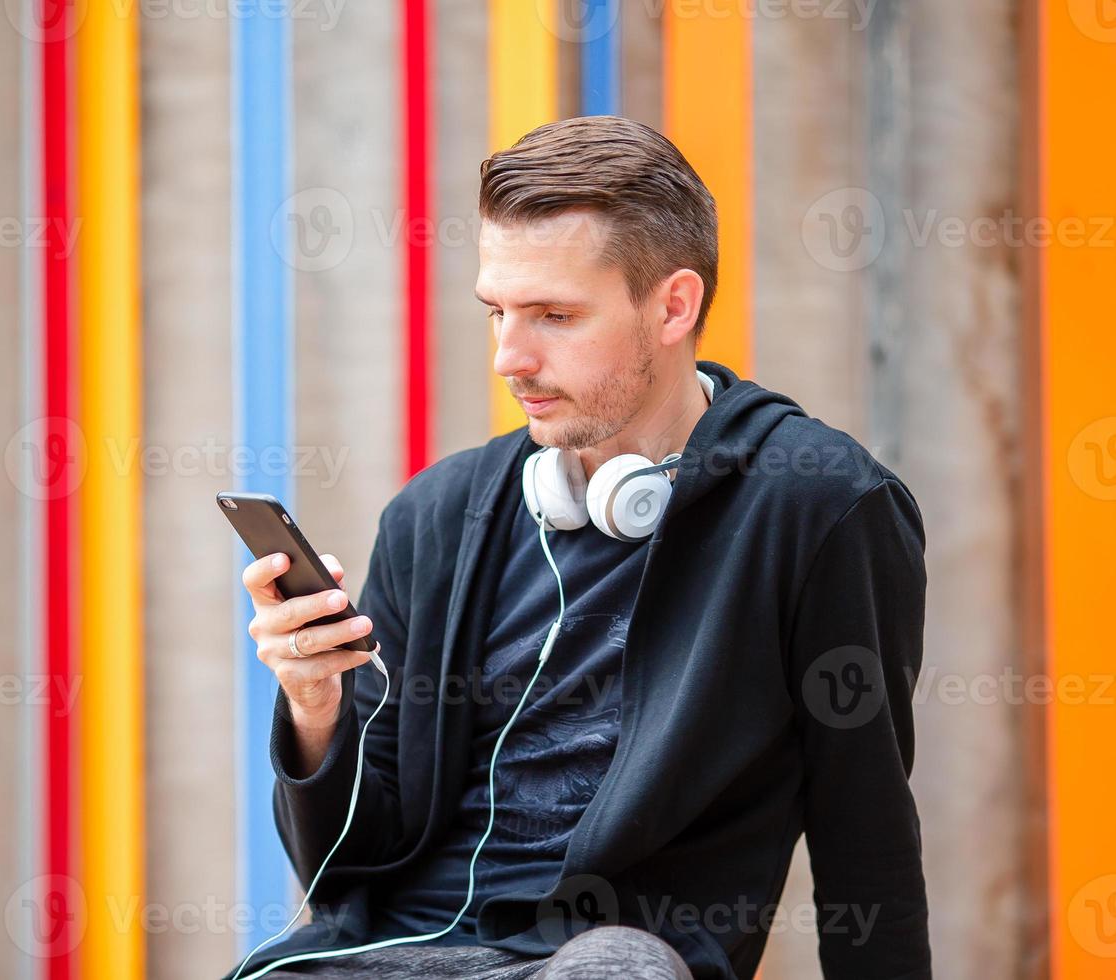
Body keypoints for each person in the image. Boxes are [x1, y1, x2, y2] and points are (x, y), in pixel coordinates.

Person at [225, 115, 931, 979]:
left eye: (553, 316)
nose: (508, 358)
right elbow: (342, 874)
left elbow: (867, 835)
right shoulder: (437, 516)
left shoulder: (817, 506)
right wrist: (313, 705)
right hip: (393, 957)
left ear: (674, 305)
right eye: (497, 312)